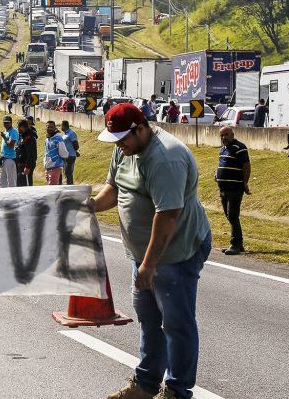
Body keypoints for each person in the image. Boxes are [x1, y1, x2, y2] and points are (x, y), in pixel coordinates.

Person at [93, 104, 211, 399]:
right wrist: (90, 206)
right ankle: (145, 385)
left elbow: (168, 215)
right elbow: (114, 188)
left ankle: (177, 391)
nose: (119, 145)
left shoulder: (166, 158)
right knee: (148, 319)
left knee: (175, 322)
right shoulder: (125, 150)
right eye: (116, 139)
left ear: (141, 127)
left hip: (174, 253)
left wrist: (148, 265)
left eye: (123, 138)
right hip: (143, 254)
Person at [216, 127, 250, 255]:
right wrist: (217, 173)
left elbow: (246, 166)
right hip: (223, 188)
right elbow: (223, 163)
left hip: (235, 187)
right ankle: (238, 243)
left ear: (232, 134)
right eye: (222, 135)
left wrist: (245, 183)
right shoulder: (223, 149)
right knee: (228, 214)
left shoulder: (239, 147)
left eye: (226, 134)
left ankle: (235, 244)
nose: (224, 137)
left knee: (233, 214)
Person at [0, 115, 18, 188]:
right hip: (3, 159)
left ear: (11, 122)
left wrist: (4, 137)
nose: (6, 124)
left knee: (11, 182)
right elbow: (4, 147)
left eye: (7, 123)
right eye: (4, 123)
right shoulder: (5, 131)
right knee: (2, 182)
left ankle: (13, 198)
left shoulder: (14, 131)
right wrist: (0, 156)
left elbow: (11, 145)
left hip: (10, 159)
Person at [43, 121, 66, 185]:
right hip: (48, 167)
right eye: (48, 127)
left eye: (52, 127)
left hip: (55, 167)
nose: (50, 128)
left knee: (53, 188)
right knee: (51, 187)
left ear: (55, 128)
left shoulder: (58, 138)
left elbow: (64, 153)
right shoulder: (47, 139)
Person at [15, 120, 37, 187]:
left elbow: (31, 153)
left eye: (18, 127)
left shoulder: (29, 137)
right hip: (21, 164)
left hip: (26, 165)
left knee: (26, 185)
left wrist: (27, 166)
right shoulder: (23, 136)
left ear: (22, 127)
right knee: (20, 184)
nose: (17, 129)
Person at [60, 120, 79, 185]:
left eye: (61, 125)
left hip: (70, 156)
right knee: (66, 172)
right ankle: (68, 185)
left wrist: (75, 151)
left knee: (68, 172)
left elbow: (76, 145)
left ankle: (70, 186)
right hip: (66, 156)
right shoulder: (65, 133)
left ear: (64, 126)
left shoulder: (71, 133)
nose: (60, 127)